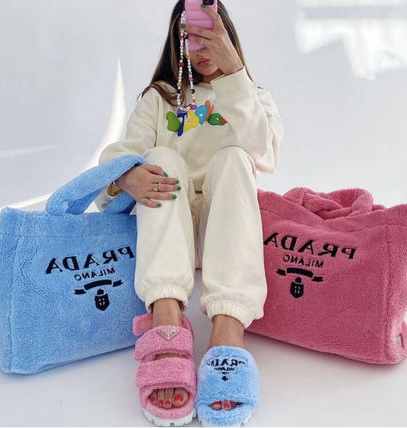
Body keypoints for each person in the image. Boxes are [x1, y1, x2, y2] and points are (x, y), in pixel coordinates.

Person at [95, 0, 283, 425]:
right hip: (168, 235)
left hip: (224, 235)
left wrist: (234, 74)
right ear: (177, 45)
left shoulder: (252, 97)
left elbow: (264, 153)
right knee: (158, 156)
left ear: (228, 38)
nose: (201, 48)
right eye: (191, 39)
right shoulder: (159, 99)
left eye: (210, 36)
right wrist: (127, 176)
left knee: (236, 158)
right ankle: (165, 312)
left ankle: (228, 327)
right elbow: (116, 159)